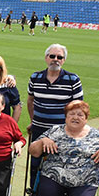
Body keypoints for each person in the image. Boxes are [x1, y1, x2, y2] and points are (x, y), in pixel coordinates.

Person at [27, 43, 83, 187]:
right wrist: (33, 121)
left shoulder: (72, 80)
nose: (55, 59)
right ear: (46, 58)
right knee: (35, 164)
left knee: (58, 166)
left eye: (60, 57)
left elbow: (78, 109)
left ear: (64, 60)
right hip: (39, 129)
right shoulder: (35, 77)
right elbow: (30, 101)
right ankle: (34, 195)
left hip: (62, 133)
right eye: (52, 56)